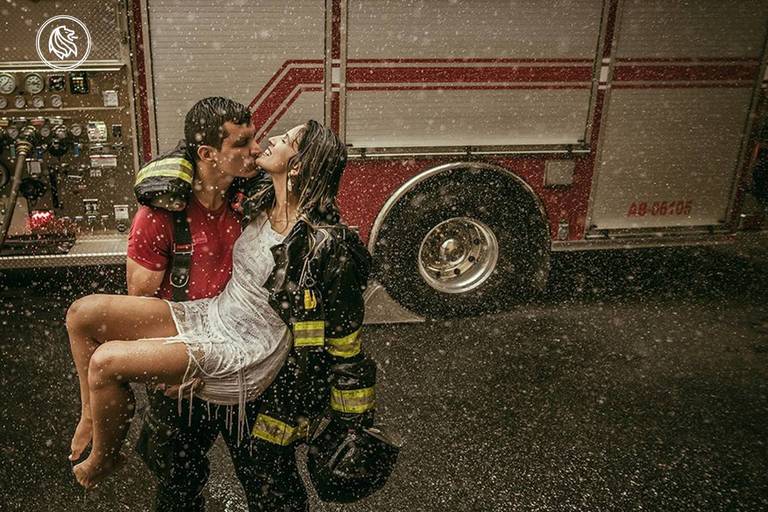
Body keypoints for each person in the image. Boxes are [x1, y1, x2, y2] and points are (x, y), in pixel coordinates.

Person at [65, 119, 373, 498]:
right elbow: (205, 155)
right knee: (83, 313)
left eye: (286, 139)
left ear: (298, 166)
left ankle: (104, 457)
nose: (268, 141)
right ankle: (91, 417)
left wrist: (351, 423)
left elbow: (346, 345)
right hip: (214, 312)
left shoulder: (328, 246)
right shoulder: (260, 197)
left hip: (246, 346)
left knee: (106, 363)